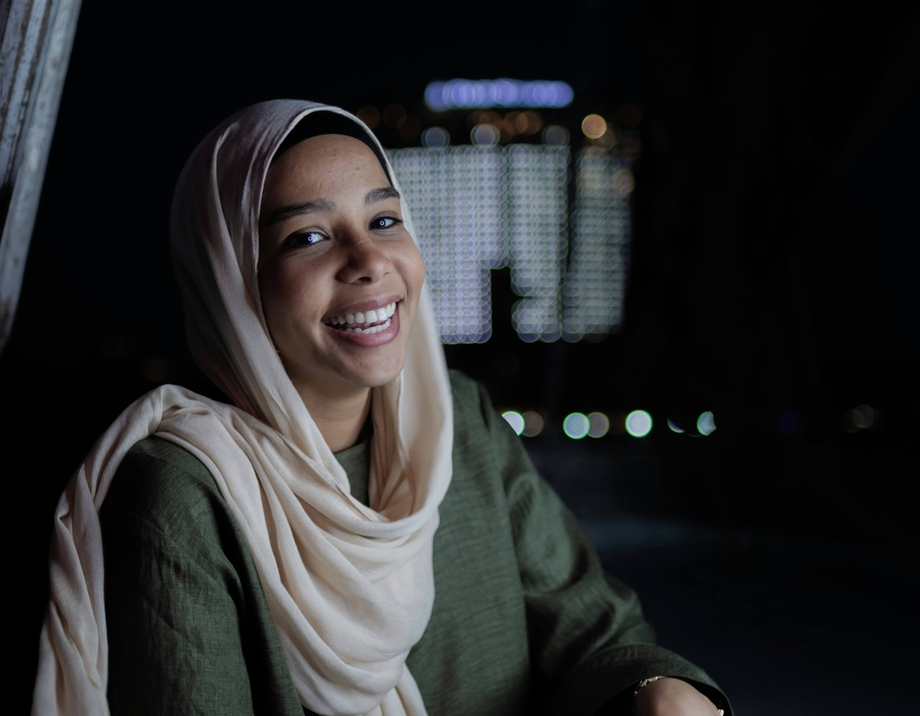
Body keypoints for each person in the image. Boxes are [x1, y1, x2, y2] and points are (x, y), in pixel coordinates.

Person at [32, 100, 730, 716]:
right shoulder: (183, 495)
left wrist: (657, 690)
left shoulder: (455, 421)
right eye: (308, 236)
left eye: (385, 219)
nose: (369, 260)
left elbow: (592, 630)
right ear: (231, 281)